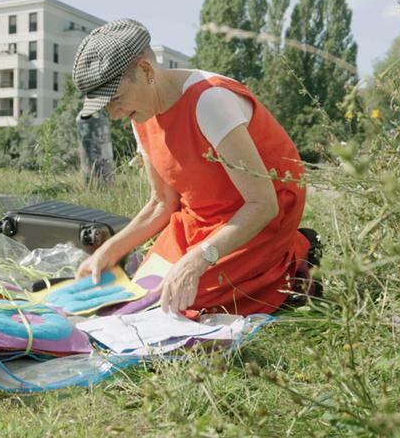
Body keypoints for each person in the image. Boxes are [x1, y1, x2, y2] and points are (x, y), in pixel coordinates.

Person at [72, 18, 317, 316]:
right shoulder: (141, 114)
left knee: (180, 301)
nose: (113, 114)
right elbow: (162, 203)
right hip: (201, 221)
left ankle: (296, 260)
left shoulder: (209, 101)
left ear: (146, 70)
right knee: (142, 296)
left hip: (257, 222)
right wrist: (107, 252)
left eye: (116, 99)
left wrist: (198, 259)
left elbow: (263, 205)